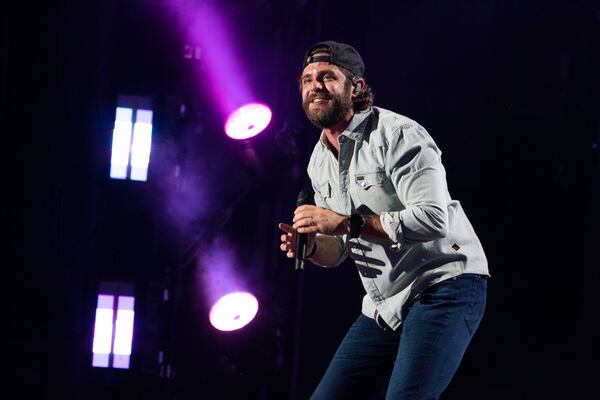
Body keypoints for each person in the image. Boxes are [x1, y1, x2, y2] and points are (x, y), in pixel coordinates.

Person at [278, 40, 489, 399]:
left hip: (445, 284)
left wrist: (344, 222)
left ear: (356, 87)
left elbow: (433, 220)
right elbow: (339, 250)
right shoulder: (319, 160)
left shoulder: (398, 135)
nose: (315, 85)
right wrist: (314, 246)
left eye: (328, 77)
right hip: (386, 302)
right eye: (307, 79)